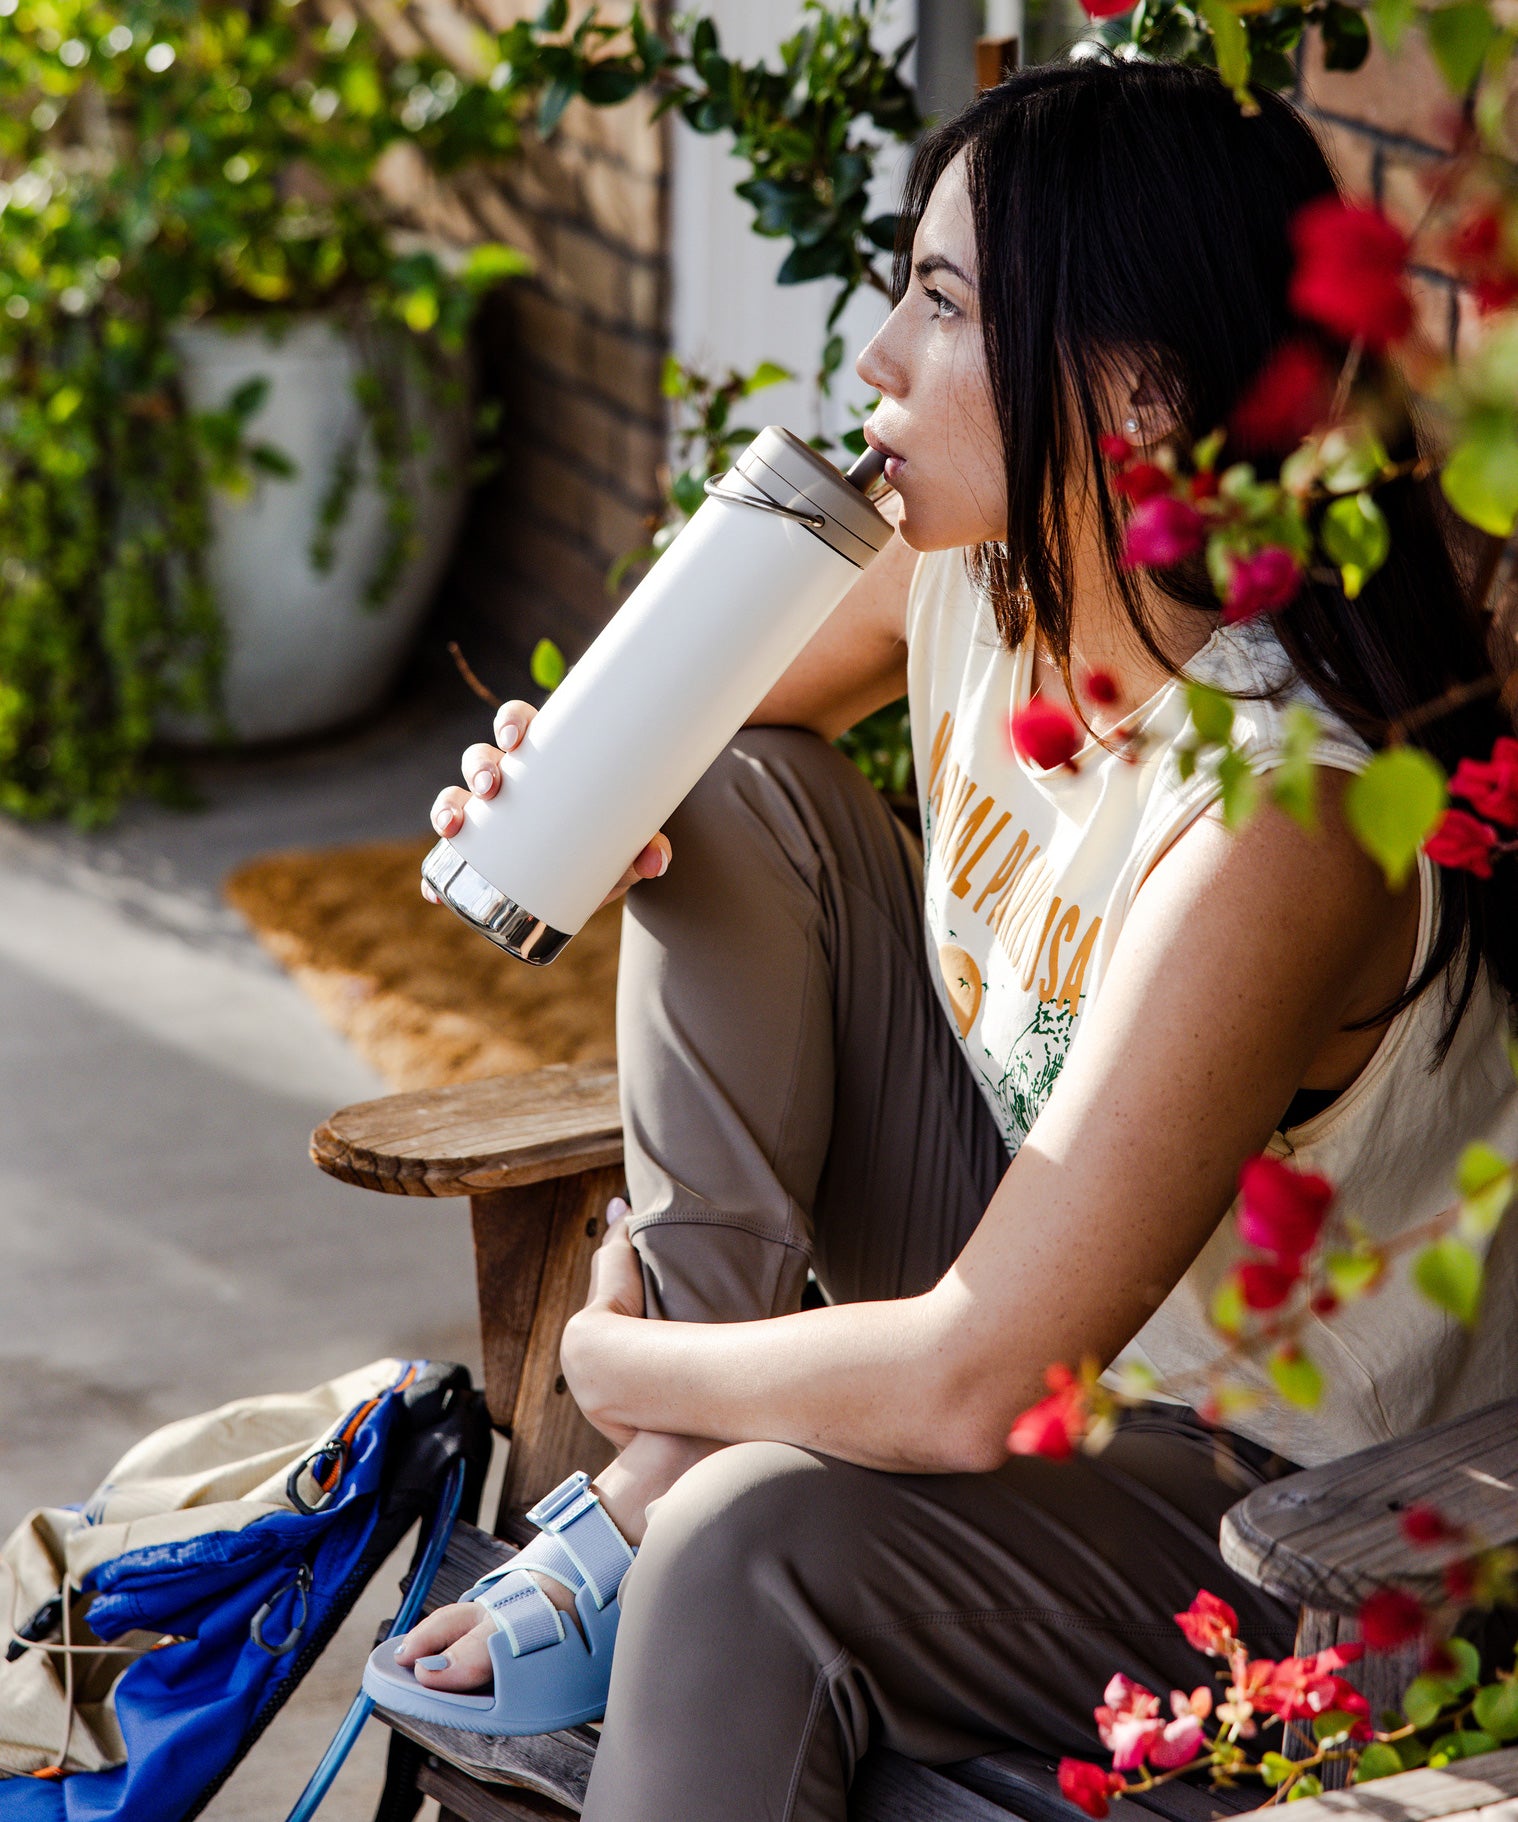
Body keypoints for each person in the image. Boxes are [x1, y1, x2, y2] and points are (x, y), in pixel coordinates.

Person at [388, 57, 1518, 1821]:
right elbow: (678, 746)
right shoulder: (977, 585)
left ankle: (666, 1486)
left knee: (747, 1552)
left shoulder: (1279, 823)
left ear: (1132, 391)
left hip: (1285, 1497)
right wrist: (571, 793)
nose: (873, 358)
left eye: (936, 301)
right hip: (1054, 1269)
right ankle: (661, 1480)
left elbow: (988, 1369)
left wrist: (625, 1372)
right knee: (741, 794)